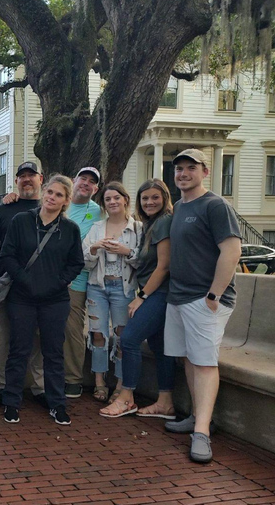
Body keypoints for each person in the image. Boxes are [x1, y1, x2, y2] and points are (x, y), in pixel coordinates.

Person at [163, 149, 241, 463]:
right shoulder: (179, 207)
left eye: (190, 168)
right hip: (179, 298)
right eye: (178, 169)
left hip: (204, 300)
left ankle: (203, 434)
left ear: (204, 172)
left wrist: (213, 295)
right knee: (190, 361)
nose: (183, 173)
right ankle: (197, 418)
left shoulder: (216, 205)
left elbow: (232, 252)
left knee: (206, 363)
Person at [0, 174, 84, 425]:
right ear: (43, 192)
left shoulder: (70, 229)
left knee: (54, 353)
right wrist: (25, 279)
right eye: (49, 192)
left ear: (66, 201)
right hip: (21, 298)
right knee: (19, 350)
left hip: (55, 300)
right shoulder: (21, 220)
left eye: (59, 195)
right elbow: (7, 255)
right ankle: (11, 402)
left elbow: (76, 263)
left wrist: (56, 283)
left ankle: (57, 404)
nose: (52, 197)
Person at [100, 179, 176, 418]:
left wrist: (141, 296)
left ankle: (126, 397)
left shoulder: (163, 222)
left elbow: (163, 266)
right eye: (145, 198)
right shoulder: (150, 224)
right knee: (160, 347)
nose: (150, 202)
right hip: (154, 291)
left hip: (159, 292)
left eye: (155, 197)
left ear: (164, 198)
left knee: (130, 338)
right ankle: (166, 402)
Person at [0, 162, 43, 405]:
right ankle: (4, 385)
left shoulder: (52, 207)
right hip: (8, 285)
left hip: (43, 287)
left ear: (41, 178)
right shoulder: (4, 210)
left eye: (31, 175)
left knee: (40, 340)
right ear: (16, 181)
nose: (26, 179)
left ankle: (41, 388)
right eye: (22, 176)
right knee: (4, 339)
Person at [82, 182, 141, 403]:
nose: (113, 202)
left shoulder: (137, 229)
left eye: (116, 197)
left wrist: (126, 251)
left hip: (123, 289)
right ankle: (99, 382)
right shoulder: (97, 227)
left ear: (125, 199)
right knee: (98, 334)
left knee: (121, 337)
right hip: (97, 287)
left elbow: (143, 261)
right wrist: (95, 248)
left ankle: (119, 384)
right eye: (108, 199)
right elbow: (85, 261)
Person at [62, 167, 102, 399]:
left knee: (73, 330)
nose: (86, 183)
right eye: (83, 179)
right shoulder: (60, 205)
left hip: (79, 281)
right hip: (51, 280)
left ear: (96, 189)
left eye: (92, 182)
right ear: (74, 180)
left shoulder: (100, 211)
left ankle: (73, 379)